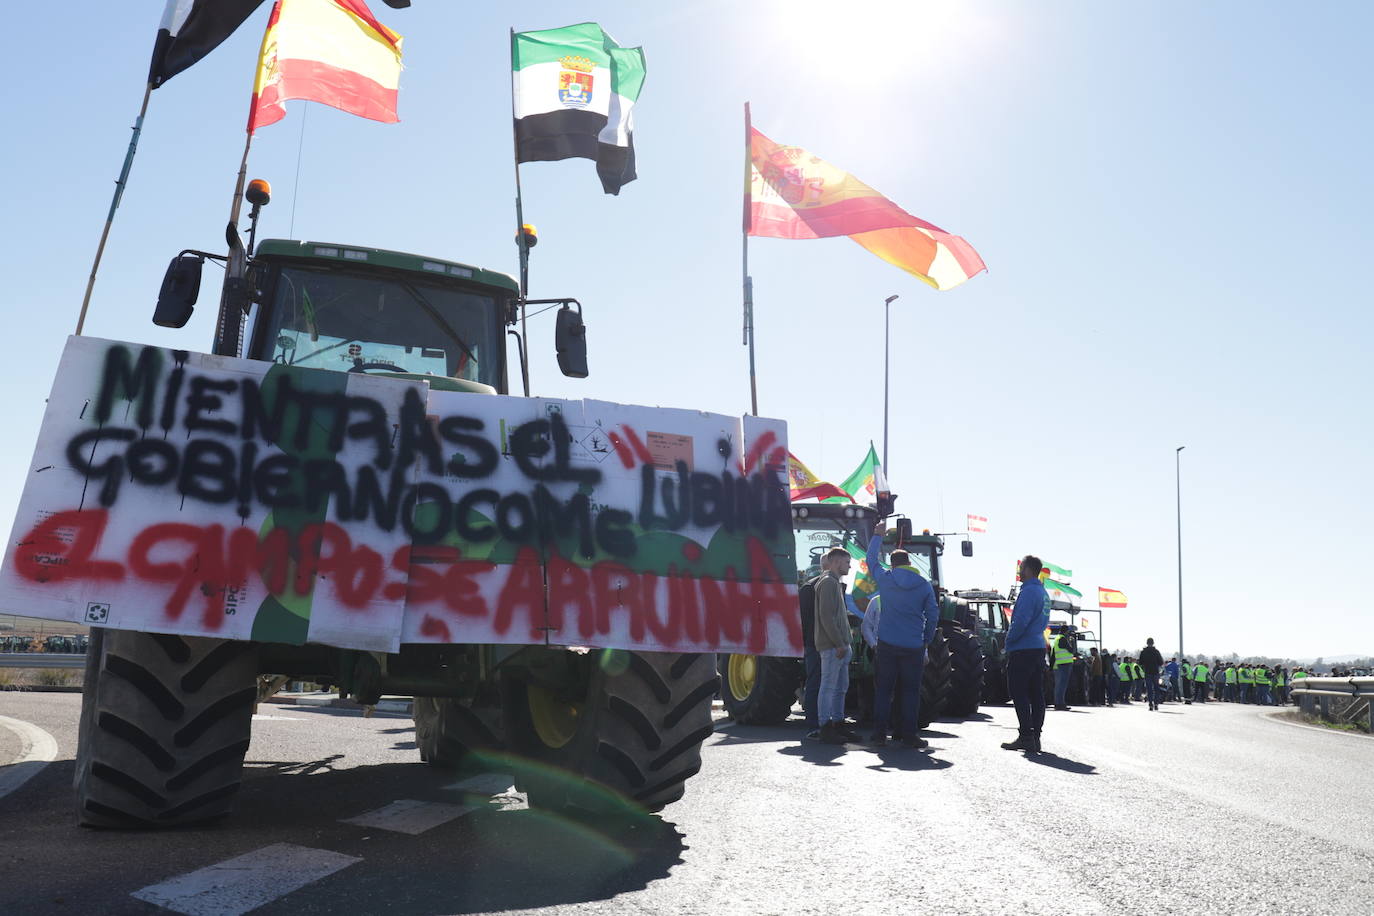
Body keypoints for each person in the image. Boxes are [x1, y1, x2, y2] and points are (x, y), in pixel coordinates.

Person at [865, 521, 939, 748]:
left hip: (887, 644)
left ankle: (879, 735)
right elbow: (933, 615)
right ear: (909, 563)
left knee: (884, 691)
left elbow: (870, 561)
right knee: (910, 692)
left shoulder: (886, 579)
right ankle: (908, 735)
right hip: (913, 646)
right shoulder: (924, 585)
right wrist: (925, 640)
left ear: (893, 565)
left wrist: (877, 535)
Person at [1001, 555, 1051, 754]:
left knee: (1019, 692)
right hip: (1038, 647)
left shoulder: (1029, 592)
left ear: (1029, 570)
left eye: (1021, 568)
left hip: (1023, 648)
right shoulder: (1042, 592)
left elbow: (1019, 621)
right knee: (1036, 693)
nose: (1019, 572)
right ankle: (1035, 737)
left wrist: (1008, 641)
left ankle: (1026, 737)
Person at [813, 547, 854, 745]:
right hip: (832, 646)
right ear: (837, 563)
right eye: (847, 562)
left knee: (840, 687)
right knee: (829, 686)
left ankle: (838, 723)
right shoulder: (829, 582)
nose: (850, 565)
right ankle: (825, 727)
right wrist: (839, 643)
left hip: (839, 645)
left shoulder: (834, 583)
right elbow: (826, 616)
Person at [799, 570, 823, 738]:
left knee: (817, 682)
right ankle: (813, 724)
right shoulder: (811, 587)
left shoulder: (809, 587)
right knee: (815, 682)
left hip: (814, 641)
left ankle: (819, 722)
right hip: (815, 643)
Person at [1050, 630, 1075, 711]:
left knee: (1058, 686)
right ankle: (1060, 704)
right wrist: (1072, 642)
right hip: (1064, 664)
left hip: (1057, 665)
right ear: (1066, 632)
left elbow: (1053, 655)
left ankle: (1058, 703)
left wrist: (1051, 667)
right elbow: (1071, 650)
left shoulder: (1056, 640)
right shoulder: (1063, 639)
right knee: (1062, 686)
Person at [1139, 638, 1165, 710]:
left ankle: (1150, 704)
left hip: (1147, 672)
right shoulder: (1156, 652)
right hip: (1155, 672)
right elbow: (1161, 662)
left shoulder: (1143, 652)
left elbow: (1140, 662)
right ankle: (1156, 703)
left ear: (1147, 643)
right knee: (1156, 689)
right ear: (1153, 643)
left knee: (1149, 689)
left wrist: (1145, 666)